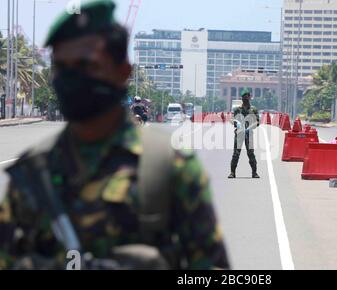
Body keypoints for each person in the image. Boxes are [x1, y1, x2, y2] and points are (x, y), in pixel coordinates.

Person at [0, 0, 229, 270]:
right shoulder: (34, 171)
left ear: (123, 72)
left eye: (87, 65)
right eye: (62, 67)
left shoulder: (169, 166)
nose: (72, 78)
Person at [228, 89, 260, 179]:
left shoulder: (253, 110)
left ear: (249, 97)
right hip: (239, 134)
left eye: (247, 96)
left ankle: (254, 173)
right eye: (244, 97)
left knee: (251, 153)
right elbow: (231, 120)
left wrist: (250, 127)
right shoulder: (237, 110)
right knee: (236, 154)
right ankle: (232, 173)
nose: (245, 98)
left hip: (249, 134)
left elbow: (257, 122)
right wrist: (236, 123)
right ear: (242, 98)